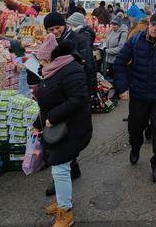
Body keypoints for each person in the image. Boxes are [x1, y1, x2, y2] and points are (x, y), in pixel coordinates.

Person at [113, 13, 156, 183]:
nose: (154, 29)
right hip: (139, 94)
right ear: (148, 24)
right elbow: (120, 62)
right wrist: (122, 88)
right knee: (135, 127)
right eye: (152, 25)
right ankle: (135, 147)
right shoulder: (137, 39)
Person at [34, 33, 92, 227]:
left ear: (51, 57)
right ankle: (62, 201)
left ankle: (65, 212)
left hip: (73, 127)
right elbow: (51, 100)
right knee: (59, 167)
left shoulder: (70, 69)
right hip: (61, 126)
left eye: (42, 59)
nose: (40, 64)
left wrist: (52, 117)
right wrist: (38, 121)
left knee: (59, 167)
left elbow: (78, 99)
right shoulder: (53, 69)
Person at [39, 12, 96, 196]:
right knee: (64, 138)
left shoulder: (78, 40)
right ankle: (72, 167)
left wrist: (90, 93)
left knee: (65, 138)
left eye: (58, 28)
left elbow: (88, 66)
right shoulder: (48, 42)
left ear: (64, 25)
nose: (55, 31)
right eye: (51, 29)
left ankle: (61, 180)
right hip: (61, 94)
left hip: (73, 94)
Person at [65, 13, 98, 95]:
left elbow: (87, 61)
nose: (68, 27)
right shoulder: (82, 34)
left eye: (69, 24)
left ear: (74, 24)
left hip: (85, 76)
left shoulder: (84, 36)